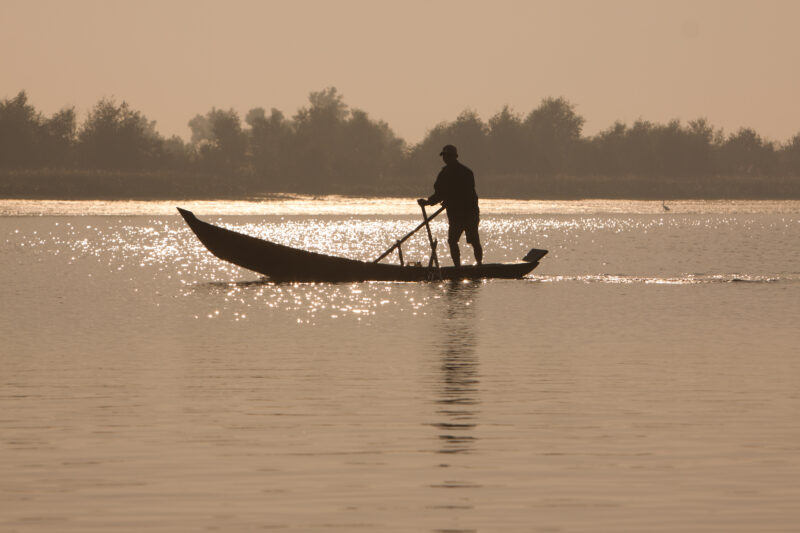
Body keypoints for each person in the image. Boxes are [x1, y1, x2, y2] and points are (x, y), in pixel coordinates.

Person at [418, 144, 483, 267]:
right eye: (444, 156)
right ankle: (457, 267)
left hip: (469, 213)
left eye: (448, 156)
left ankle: (479, 264)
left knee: (474, 240)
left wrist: (451, 200)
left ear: (455, 157)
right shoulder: (444, 174)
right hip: (455, 215)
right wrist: (427, 202)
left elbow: (468, 193)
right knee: (452, 241)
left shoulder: (466, 173)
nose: (445, 158)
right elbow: (439, 193)